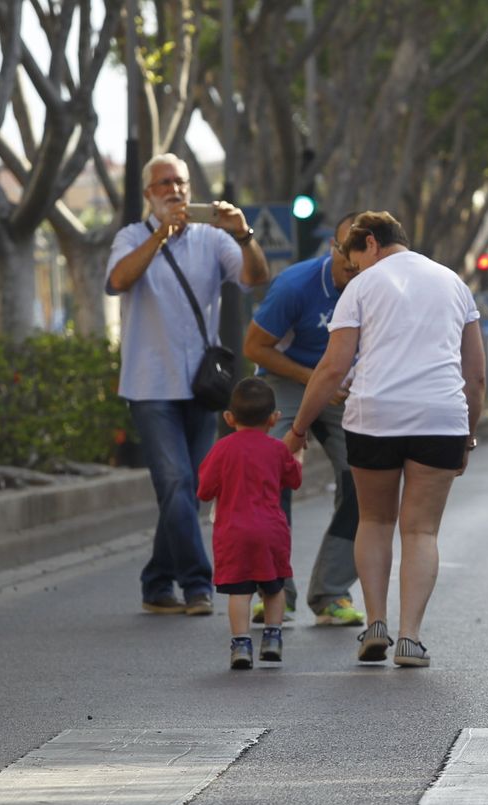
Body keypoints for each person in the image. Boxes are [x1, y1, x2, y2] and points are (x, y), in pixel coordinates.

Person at [283, 211, 485, 666]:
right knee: (421, 530)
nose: (353, 272)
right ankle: (410, 638)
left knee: (373, 523)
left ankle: (375, 624)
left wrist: (298, 430)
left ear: (369, 243)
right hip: (440, 418)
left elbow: (333, 367)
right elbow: (475, 374)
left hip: (374, 417)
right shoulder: (453, 283)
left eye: (354, 262)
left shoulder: (361, 288)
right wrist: (467, 436)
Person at [107, 153, 270, 615]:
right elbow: (119, 279)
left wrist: (243, 234)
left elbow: (254, 278)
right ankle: (198, 584)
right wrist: (160, 234)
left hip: (202, 387)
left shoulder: (212, 239)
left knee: (188, 489)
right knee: (177, 481)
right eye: (163, 184)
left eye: (180, 182)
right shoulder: (130, 238)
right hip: (149, 385)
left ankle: (157, 580)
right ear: (148, 195)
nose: (174, 190)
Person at [243, 213, 364, 627]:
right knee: (269, 474)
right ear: (333, 246)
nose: (356, 266)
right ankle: (274, 589)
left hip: (343, 385)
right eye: (349, 256)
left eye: (365, 256)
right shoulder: (296, 285)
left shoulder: (380, 288)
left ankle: (331, 593)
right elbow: (254, 347)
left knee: (366, 479)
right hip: (289, 378)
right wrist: (315, 381)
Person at [197, 379, 303, 669]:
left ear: (229, 418)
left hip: (233, 532)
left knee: (240, 592)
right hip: (271, 530)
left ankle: (241, 645)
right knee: (274, 586)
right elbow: (294, 480)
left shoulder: (222, 449)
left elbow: (204, 490)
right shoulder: (277, 449)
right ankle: (272, 638)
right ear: (274, 418)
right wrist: (297, 456)